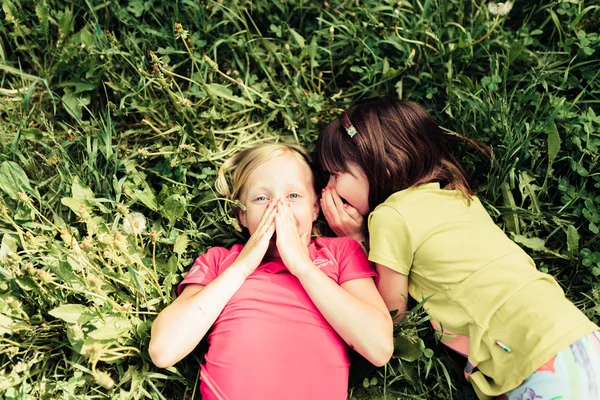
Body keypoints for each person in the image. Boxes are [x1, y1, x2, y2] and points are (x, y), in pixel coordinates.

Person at [316, 96, 600, 400]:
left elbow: (391, 315)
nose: (329, 188)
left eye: (337, 174)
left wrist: (357, 239)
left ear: (382, 169)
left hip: (533, 357)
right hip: (575, 333)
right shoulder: (460, 196)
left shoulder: (389, 217)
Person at [149, 143, 393, 400]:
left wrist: (302, 265)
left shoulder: (341, 252)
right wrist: (242, 267)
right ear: (242, 216)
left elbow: (378, 348)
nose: (277, 208)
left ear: (314, 209)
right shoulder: (220, 261)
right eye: (261, 198)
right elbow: (163, 350)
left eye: (294, 196)